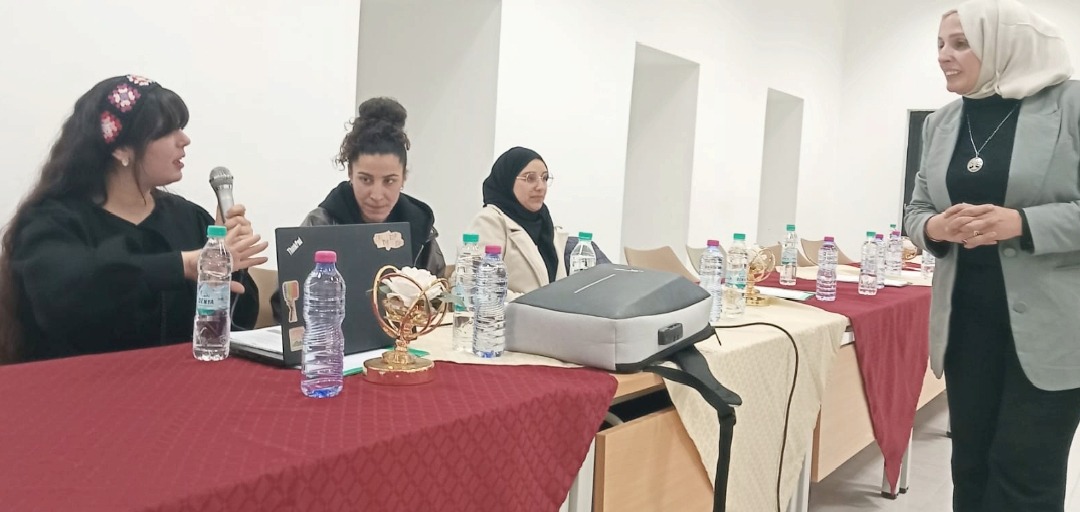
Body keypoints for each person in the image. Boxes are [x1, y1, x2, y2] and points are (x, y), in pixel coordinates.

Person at [904, 1, 1080, 510]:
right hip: (967, 326)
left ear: (1007, 44)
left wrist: (1022, 223)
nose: (944, 55)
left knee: (1024, 474)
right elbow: (916, 210)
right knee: (970, 466)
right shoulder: (942, 122)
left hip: (1052, 331)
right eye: (941, 43)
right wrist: (936, 228)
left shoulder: (1070, 105)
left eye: (961, 43)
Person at [0, 75, 268, 364]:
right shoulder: (51, 221)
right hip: (80, 384)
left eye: (181, 128)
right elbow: (69, 294)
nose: (184, 140)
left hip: (181, 381)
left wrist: (229, 268)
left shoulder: (189, 218)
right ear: (120, 148)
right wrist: (183, 265)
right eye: (167, 131)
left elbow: (239, 322)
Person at [470, 146, 567, 294]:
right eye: (530, 178)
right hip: (510, 309)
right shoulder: (489, 221)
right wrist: (529, 304)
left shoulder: (546, 223)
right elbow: (477, 286)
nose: (540, 187)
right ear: (507, 180)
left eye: (545, 178)